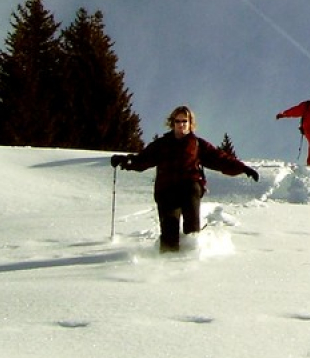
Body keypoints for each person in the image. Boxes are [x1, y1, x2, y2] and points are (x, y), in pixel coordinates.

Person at [111, 105, 259, 252]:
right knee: (169, 231)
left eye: (185, 121)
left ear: (190, 124)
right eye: (178, 121)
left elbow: (219, 158)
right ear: (172, 123)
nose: (181, 125)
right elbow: (143, 159)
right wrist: (126, 161)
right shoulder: (162, 144)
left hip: (189, 187)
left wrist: (242, 168)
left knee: (192, 231)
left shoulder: (197, 144)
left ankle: (192, 260)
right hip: (167, 190)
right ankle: (167, 264)